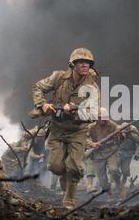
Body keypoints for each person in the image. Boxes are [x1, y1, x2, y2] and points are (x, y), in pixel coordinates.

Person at [32, 47, 99, 209]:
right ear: (72, 64)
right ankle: (63, 176)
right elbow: (38, 87)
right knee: (55, 166)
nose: (85, 65)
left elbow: (94, 114)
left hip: (78, 130)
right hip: (57, 128)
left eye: (88, 62)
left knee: (74, 167)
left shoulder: (92, 88)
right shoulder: (59, 78)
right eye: (81, 62)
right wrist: (43, 104)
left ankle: (69, 197)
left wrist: (75, 108)